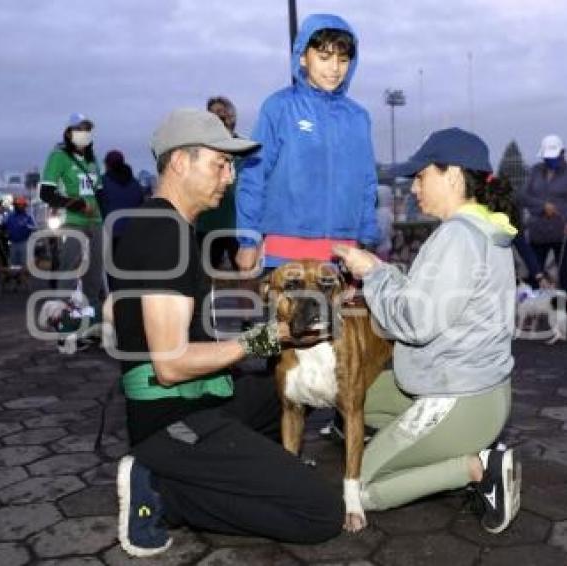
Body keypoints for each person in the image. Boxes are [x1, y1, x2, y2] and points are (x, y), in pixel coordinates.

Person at [112, 109, 342, 558]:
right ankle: (161, 491)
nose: (229, 177)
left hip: (200, 399)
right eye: (220, 164)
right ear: (180, 162)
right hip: (173, 420)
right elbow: (171, 364)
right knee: (321, 514)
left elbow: (117, 310)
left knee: (291, 392)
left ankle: (232, 470)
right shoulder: (163, 233)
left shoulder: (160, 226)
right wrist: (265, 339)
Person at [333, 127, 522, 534]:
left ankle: (476, 467)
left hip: (459, 401)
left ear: (452, 175)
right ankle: (438, 448)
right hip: (479, 393)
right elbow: (431, 301)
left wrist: (371, 274)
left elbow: (416, 322)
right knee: (349, 396)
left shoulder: (458, 236)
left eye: (421, 176)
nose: (414, 187)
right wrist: (381, 274)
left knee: (359, 486)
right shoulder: (483, 231)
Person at [235, 13, 380, 272]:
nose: (334, 68)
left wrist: (367, 239)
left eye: (343, 59)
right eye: (324, 58)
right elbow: (254, 175)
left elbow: (367, 183)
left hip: (343, 256)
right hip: (284, 254)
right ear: (303, 56)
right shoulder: (278, 107)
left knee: (341, 315)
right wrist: (248, 239)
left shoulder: (359, 118)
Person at [39, 113, 104, 313]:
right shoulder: (58, 156)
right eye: (79, 129)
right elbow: (46, 193)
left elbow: (100, 193)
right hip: (71, 221)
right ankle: (63, 317)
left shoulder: (93, 160)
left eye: (87, 130)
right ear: (68, 133)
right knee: (69, 269)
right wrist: (77, 204)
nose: (84, 133)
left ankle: (91, 314)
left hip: (95, 222)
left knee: (94, 271)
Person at [520, 134, 567, 297]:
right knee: (534, 275)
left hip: (564, 234)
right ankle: (534, 314)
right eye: (547, 158)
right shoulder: (535, 172)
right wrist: (542, 207)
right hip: (538, 233)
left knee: (565, 274)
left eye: (554, 157)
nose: (550, 161)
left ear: (562, 153)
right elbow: (523, 197)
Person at [195, 96, 241, 271]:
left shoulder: (243, 145)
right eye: (212, 114)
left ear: (231, 116)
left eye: (221, 113)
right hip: (208, 223)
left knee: (245, 277)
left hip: (237, 224)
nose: (217, 118)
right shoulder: (201, 148)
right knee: (204, 279)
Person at [97, 149, 144, 290]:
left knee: (112, 270)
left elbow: (98, 206)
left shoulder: (103, 183)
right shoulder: (135, 184)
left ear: (107, 165)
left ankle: (116, 300)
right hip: (133, 234)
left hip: (111, 233)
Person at [5, 196, 36, 267]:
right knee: (13, 263)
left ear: (24, 206)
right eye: (17, 205)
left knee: (23, 263)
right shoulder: (10, 216)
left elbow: (34, 227)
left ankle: (23, 276)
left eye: (21, 205)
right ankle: (16, 276)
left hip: (24, 243)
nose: (19, 206)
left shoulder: (28, 216)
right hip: (12, 243)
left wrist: (27, 226)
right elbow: (4, 226)